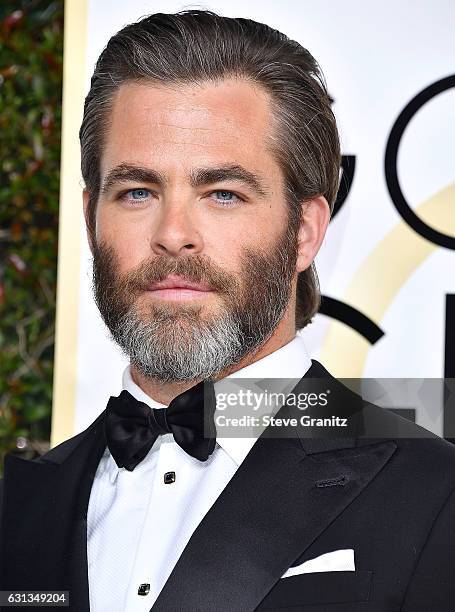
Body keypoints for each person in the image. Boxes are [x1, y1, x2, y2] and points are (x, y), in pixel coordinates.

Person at [1, 10, 455, 612]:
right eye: (137, 192)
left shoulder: (436, 494)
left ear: (304, 231)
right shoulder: (19, 508)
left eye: (222, 194)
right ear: (91, 220)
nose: (173, 234)